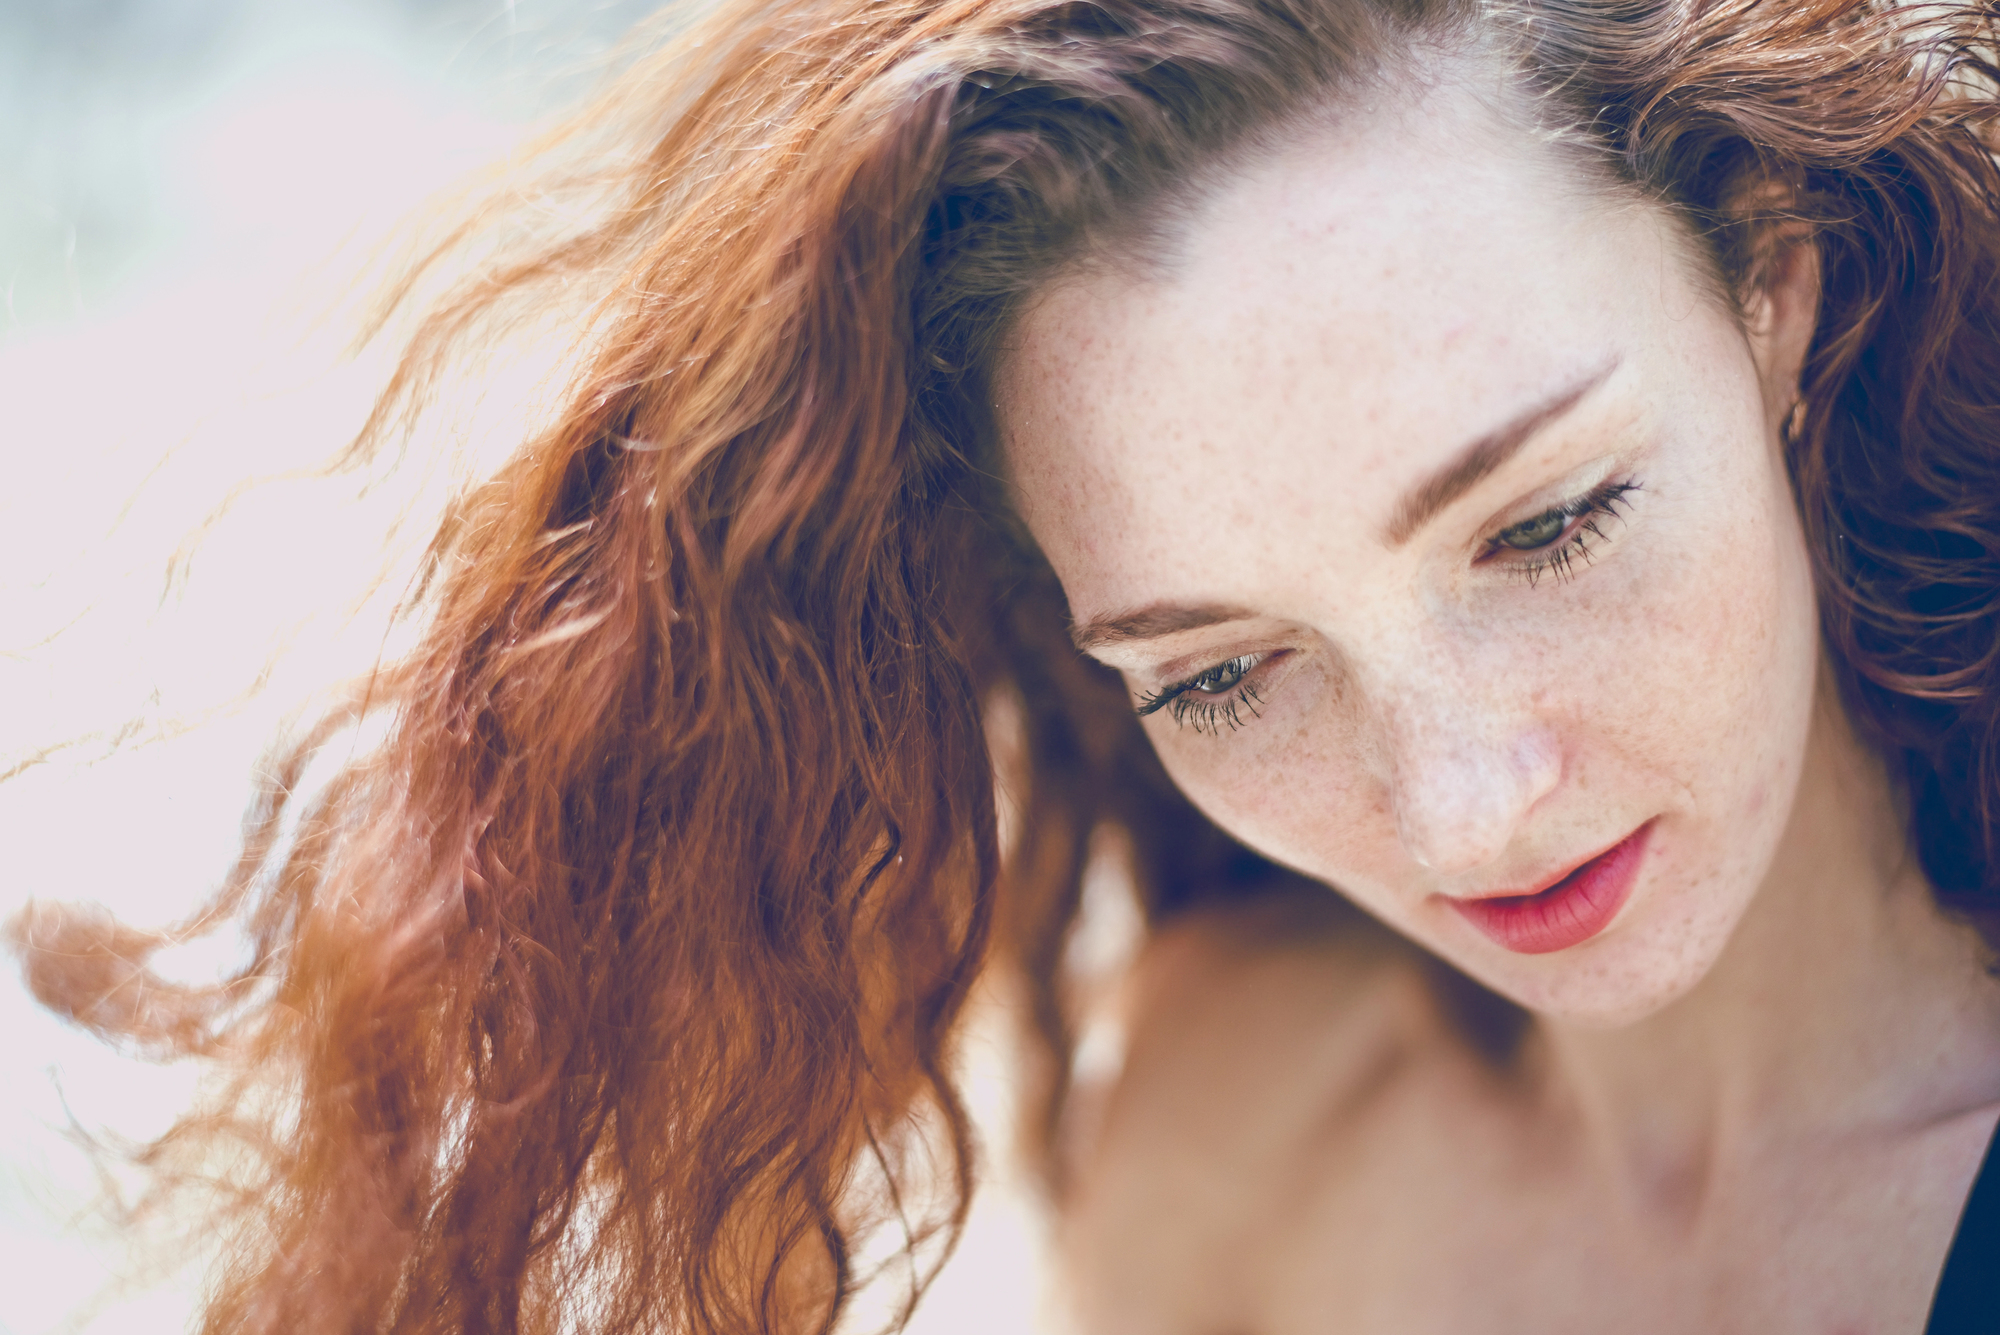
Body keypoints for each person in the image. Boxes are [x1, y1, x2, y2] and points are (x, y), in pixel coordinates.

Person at [14, 0, 2000, 1329]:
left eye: (1544, 523)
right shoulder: (1229, 1124)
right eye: (1222, 672)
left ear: (1778, 293)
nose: (1463, 792)